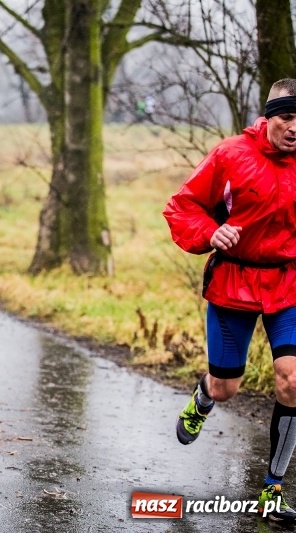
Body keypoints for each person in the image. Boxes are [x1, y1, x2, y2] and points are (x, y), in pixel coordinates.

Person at [164, 78, 296, 524]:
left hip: (288, 283)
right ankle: (204, 397)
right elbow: (182, 206)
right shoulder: (231, 155)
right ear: (269, 116)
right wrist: (210, 233)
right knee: (227, 387)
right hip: (235, 281)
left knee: (292, 380)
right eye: (287, 117)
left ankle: (272, 489)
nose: (295, 127)